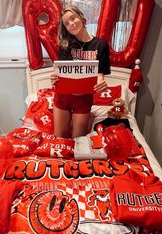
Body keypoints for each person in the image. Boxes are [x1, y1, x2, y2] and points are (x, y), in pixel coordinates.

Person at [51, 5, 111, 138]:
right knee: (61, 138)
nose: (71, 24)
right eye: (67, 23)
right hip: (63, 97)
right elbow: (63, 74)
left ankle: (88, 118)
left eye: (73, 18)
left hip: (84, 99)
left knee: (78, 140)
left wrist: (101, 84)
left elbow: (100, 76)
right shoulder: (65, 45)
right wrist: (55, 78)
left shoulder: (100, 45)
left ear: (81, 18)